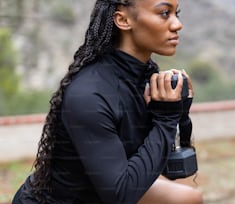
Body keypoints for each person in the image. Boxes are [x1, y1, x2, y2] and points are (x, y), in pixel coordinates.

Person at [12, 0, 203, 203]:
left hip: (105, 191)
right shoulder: (90, 94)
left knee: (189, 198)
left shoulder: (146, 79)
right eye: (164, 13)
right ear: (123, 20)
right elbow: (120, 195)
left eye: (176, 13)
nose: (177, 24)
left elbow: (165, 169)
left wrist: (176, 113)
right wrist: (165, 120)